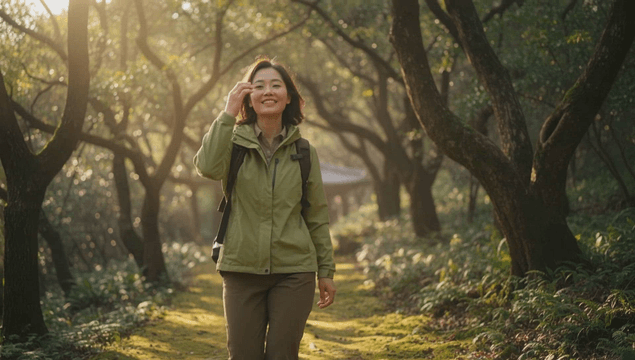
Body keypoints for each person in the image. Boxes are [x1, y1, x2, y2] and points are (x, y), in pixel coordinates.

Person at [193, 57, 336, 360]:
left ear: (288, 98)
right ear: (248, 97)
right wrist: (227, 112)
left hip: (294, 271)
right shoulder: (232, 143)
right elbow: (205, 167)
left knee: (283, 355)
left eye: (276, 85)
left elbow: (317, 215)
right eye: (258, 86)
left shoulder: (304, 151)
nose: (267, 91)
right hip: (241, 270)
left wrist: (326, 270)